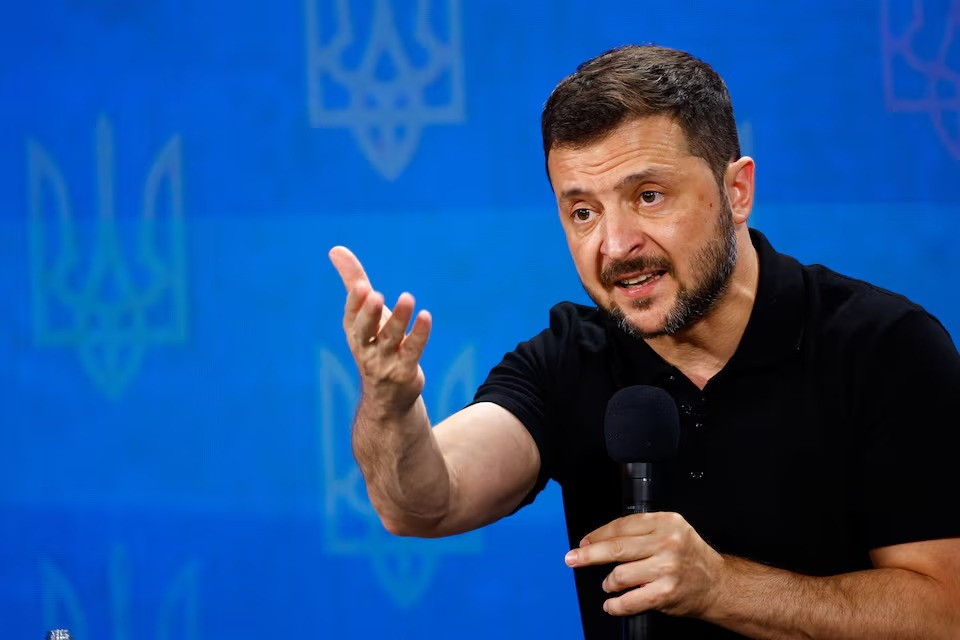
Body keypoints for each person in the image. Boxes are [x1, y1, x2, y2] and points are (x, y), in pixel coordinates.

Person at [328, 44, 960, 638]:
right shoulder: (568, 358)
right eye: (583, 212)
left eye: (648, 196)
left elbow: (947, 610)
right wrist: (389, 406)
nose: (615, 245)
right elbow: (423, 504)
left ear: (736, 192)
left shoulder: (885, 347)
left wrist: (723, 587)